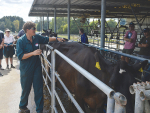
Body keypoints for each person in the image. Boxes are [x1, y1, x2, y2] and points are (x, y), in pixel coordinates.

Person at [17, 21, 64, 113]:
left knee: (38, 88)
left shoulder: (36, 37)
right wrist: (33, 53)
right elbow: (20, 56)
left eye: (35, 28)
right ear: (27, 30)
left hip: (36, 67)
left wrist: (57, 39)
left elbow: (46, 39)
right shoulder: (20, 41)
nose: (35, 30)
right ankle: (22, 106)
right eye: (33, 28)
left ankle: (39, 110)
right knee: (26, 88)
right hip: (26, 68)